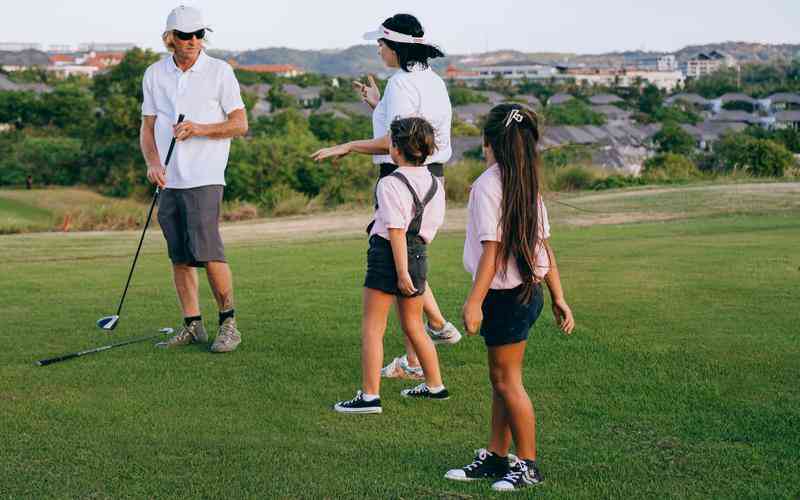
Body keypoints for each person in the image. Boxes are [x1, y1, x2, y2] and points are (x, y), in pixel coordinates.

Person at [311, 13, 461, 381]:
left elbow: (398, 142)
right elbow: (410, 130)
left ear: (396, 46)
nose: (378, 48)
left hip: (401, 177)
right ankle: (430, 337)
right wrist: (377, 105)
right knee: (410, 257)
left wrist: (346, 146)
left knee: (400, 262)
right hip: (431, 178)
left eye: (381, 43)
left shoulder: (401, 84)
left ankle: (431, 338)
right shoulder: (432, 82)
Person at [445, 104, 575, 491]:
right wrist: (558, 296)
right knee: (500, 380)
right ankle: (497, 457)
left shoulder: (488, 185)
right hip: (527, 293)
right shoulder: (526, 182)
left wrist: (473, 301)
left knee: (507, 381)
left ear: (488, 143)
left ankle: (528, 464)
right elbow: (545, 247)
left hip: (506, 296)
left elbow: (492, 248)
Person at [139, 5, 248, 352]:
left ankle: (229, 323)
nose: (193, 42)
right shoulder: (155, 74)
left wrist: (199, 128)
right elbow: (148, 126)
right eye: (185, 36)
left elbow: (239, 124)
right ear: (170, 38)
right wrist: (153, 163)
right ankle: (192, 325)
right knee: (180, 256)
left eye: (199, 35)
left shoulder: (220, 72)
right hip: (169, 179)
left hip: (205, 176)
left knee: (208, 251)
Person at [332, 117, 449, 414]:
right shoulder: (435, 183)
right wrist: (412, 264)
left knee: (373, 328)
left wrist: (400, 272)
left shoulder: (389, 182)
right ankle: (435, 386)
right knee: (414, 326)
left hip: (389, 257)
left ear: (396, 149)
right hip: (420, 253)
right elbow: (427, 227)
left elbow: (396, 230)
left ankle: (369, 397)